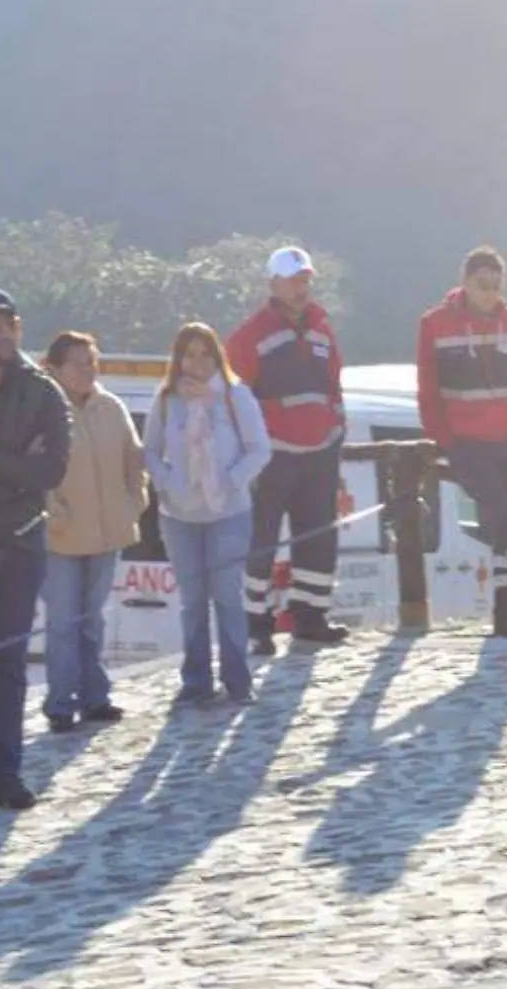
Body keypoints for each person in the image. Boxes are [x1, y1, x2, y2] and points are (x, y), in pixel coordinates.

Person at [416, 246, 507, 637]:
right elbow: (428, 389)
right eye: (483, 285)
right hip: (467, 442)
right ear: (465, 283)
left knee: (506, 528)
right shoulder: (435, 324)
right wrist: (445, 439)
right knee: (504, 520)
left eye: (497, 285)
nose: (490, 293)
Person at [0, 287, 71, 810]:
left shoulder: (41, 390)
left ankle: (3, 775)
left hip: (22, 540)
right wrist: (13, 469)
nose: (2, 334)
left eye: (9, 324)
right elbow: (28, 469)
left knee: (9, 663)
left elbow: (52, 468)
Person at [226, 246, 348, 653]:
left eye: (306, 280)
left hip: (319, 452)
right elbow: (235, 394)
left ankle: (312, 617)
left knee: (317, 536)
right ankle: (256, 625)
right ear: (273, 284)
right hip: (272, 454)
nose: (302, 288)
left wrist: (337, 428)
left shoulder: (322, 328)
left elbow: (333, 383)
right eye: (295, 281)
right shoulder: (251, 334)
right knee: (260, 541)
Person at [144, 323, 272, 704]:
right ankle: (196, 681)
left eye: (205, 354)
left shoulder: (235, 396)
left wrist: (231, 481)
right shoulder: (167, 399)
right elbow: (149, 450)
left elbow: (259, 449)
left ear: (217, 356)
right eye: (189, 354)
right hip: (179, 514)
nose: (197, 363)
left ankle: (237, 680)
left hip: (227, 512)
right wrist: (167, 481)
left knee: (227, 596)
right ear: (178, 359)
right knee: (193, 600)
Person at [41, 331, 148, 731]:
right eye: (79, 363)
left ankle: (95, 697)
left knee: (92, 620)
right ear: (55, 368)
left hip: (107, 535)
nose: (89, 370)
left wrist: (134, 503)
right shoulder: (44, 409)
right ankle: (60, 702)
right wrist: (55, 513)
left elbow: (134, 460)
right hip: (62, 539)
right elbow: (36, 474)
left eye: (92, 361)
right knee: (63, 622)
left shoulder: (111, 407)